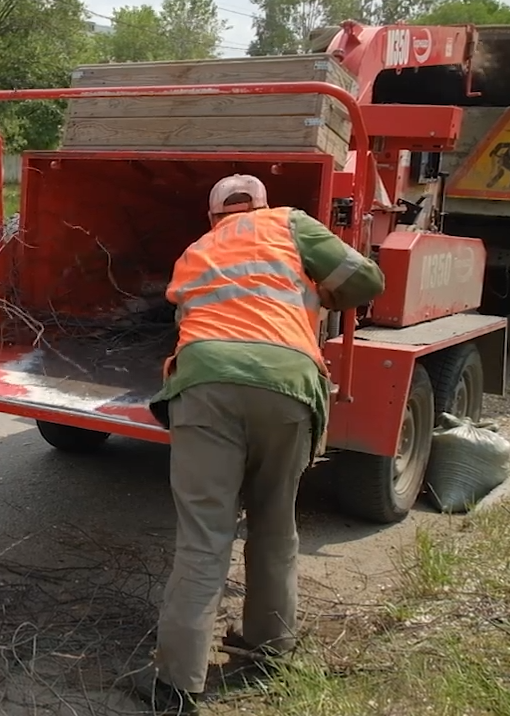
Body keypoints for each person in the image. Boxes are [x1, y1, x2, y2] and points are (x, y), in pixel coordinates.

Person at [136, 175, 386, 713]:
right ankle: (270, 649)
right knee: (275, 523)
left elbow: (190, 322)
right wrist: (319, 291)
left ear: (211, 218)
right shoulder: (290, 223)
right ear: (262, 205)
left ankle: (177, 684)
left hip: (203, 388)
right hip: (288, 386)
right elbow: (367, 282)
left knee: (204, 535)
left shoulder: (194, 252)